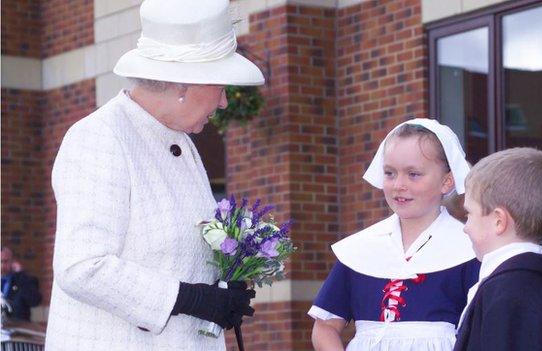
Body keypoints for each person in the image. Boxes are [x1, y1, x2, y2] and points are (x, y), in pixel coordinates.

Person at [45, 0, 262, 350]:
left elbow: (172, 253)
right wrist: (190, 299)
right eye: (221, 86)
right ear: (184, 85)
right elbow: (81, 266)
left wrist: (222, 284)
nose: (224, 102)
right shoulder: (100, 138)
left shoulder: (178, 140)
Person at [309, 118, 480, 350]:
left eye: (414, 174)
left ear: (447, 181)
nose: (399, 184)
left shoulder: (469, 248)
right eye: (390, 173)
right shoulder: (361, 249)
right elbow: (325, 327)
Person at [455, 147, 542, 351]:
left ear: (499, 220)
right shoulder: (534, 286)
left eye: (468, 214)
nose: (465, 227)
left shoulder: (506, 297)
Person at [1, 247, 42, 321]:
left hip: (18, 329)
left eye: (6, 261)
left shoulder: (24, 280)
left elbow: (35, 301)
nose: (2, 266)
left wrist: (20, 274)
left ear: (13, 261)